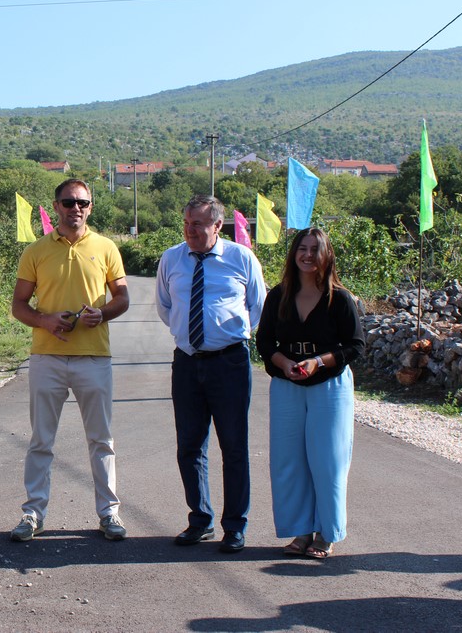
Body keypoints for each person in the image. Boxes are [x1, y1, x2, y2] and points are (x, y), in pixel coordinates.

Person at [9, 178, 131, 542]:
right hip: (47, 358)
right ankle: (33, 514)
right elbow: (18, 305)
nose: (75, 208)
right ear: (56, 206)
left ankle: (109, 513)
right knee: (41, 440)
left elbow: (122, 298)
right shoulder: (36, 251)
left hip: (94, 357)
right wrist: (44, 320)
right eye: (68, 202)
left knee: (101, 439)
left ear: (90, 207)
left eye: (82, 202)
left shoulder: (106, 247)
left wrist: (102, 314)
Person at [155, 195, 266, 554]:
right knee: (189, 446)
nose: (190, 230)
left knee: (233, 446)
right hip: (187, 362)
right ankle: (200, 519)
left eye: (198, 224)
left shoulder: (241, 258)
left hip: (229, 363)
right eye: (187, 223)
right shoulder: (171, 258)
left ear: (218, 226)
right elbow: (165, 306)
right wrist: (191, 335)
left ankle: (235, 526)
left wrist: (224, 334)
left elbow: (258, 306)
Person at [255, 227, 365, 559]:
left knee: (327, 462)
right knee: (289, 462)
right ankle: (301, 530)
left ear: (326, 255)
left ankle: (326, 533)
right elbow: (264, 341)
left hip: (329, 387)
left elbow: (355, 346)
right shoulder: (278, 295)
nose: (307, 255)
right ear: (294, 254)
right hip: (286, 385)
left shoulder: (339, 298)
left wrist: (318, 361)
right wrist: (284, 362)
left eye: (315, 249)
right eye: (302, 248)